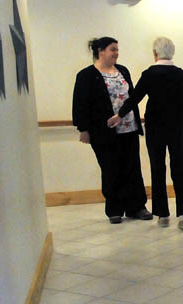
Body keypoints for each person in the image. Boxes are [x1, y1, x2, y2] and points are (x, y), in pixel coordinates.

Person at [107, 37, 183, 231]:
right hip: (177, 128)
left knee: (158, 169)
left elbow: (134, 99)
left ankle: (163, 215)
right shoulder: (181, 75)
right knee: (180, 168)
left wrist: (119, 115)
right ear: (172, 52)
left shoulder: (149, 74)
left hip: (155, 128)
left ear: (155, 53)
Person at [72, 37, 152, 224]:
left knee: (132, 168)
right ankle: (114, 209)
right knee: (110, 169)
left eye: (117, 49)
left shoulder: (123, 70)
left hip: (129, 128)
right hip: (103, 132)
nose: (116, 53)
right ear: (100, 51)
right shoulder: (86, 75)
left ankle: (137, 207)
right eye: (112, 49)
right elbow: (80, 104)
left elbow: (132, 98)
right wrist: (83, 129)